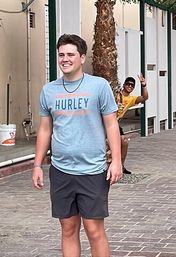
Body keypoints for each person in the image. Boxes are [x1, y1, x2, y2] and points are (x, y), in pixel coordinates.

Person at [32, 34, 122, 257]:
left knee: (94, 230)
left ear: (82, 58)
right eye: (61, 54)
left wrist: (117, 161)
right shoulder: (49, 91)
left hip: (92, 170)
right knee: (68, 229)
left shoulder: (98, 86)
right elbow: (45, 129)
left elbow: (111, 125)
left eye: (70, 54)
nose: (65, 59)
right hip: (61, 171)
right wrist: (37, 165)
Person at [116, 75, 149, 174]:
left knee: (124, 142)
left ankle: (121, 166)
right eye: (128, 84)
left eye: (132, 85)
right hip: (107, 122)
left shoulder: (131, 99)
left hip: (116, 122)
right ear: (124, 85)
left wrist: (143, 85)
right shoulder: (116, 94)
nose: (129, 86)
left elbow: (144, 97)